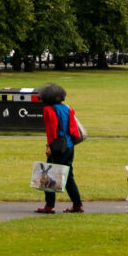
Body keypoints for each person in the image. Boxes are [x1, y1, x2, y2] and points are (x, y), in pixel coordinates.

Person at [35, 83, 82, 214]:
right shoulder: (67, 108)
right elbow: (72, 127)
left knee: (47, 174)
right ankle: (77, 204)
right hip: (69, 146)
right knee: (68, 175)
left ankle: (50, 206)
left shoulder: (48, 110)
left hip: (57, 146)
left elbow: (51, 130)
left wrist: (49, 146)